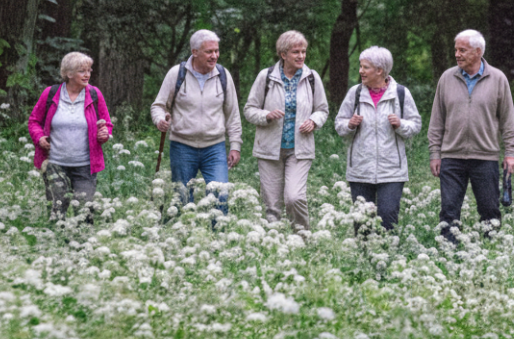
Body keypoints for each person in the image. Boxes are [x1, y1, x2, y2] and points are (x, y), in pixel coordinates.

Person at [427, 29, 514, 240]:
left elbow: (508, 120)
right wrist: (435, 154)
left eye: (462, 50)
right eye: (455, 50)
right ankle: (448, 256)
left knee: (489, 211)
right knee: (449, 212)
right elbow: (436, 120)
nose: (457, 54)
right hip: (451, 157)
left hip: (485, 157)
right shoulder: (446, 78)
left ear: (478, 52)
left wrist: (510, 153)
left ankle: (491, 254)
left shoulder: (498, 79)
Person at [151, 29, 243, 213]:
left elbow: (232, 114)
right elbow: (158, 106)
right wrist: (160, 120)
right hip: (182, 147)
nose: (214, 56)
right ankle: (187, 238)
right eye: (209, 52)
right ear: (195, 52)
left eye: (216, 51)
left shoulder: (223, 76)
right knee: (184, 199)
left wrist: (235, 145)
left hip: (214, 147)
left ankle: (218, 239)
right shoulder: (177, 74)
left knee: (221, 195)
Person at [244, 30, 329, 230]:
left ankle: (302, 238)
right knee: (272, 206)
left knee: (294, 197)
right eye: (295, 52)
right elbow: (249, 110)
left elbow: (323, 109)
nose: (301, 56)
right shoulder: (266, 77)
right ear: (283, 55)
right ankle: (276, 247)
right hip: (269, 150)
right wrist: (266, 116)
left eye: (303, 52)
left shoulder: (312, 78)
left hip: (299, 149)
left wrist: (314, 121)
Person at [334, 46, 422, 231]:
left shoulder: (401, 93)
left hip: (391, 171)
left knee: (388, 217)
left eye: (365, 67)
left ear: (380, 70)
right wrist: (350, 124)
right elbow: (339, 124)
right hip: (360, 169)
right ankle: (363, 258)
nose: (360, 71)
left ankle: (387, 256)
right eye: (361, 66)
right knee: (362, 222)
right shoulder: (355, 93)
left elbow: (415, 125)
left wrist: (400, 124)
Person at [29, 52, 113, 220]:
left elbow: (106, 125)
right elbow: (34, 121)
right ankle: (57, 244)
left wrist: (104, 134)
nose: (87, 74)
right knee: (57, 212)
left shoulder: (95, 95)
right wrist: (39, 138)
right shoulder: (50, 93)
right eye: (82, 71)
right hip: (55, 165)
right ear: (68, 73)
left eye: (89, 70)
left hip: (85, 166)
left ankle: (83, 245)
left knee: (84, 212)